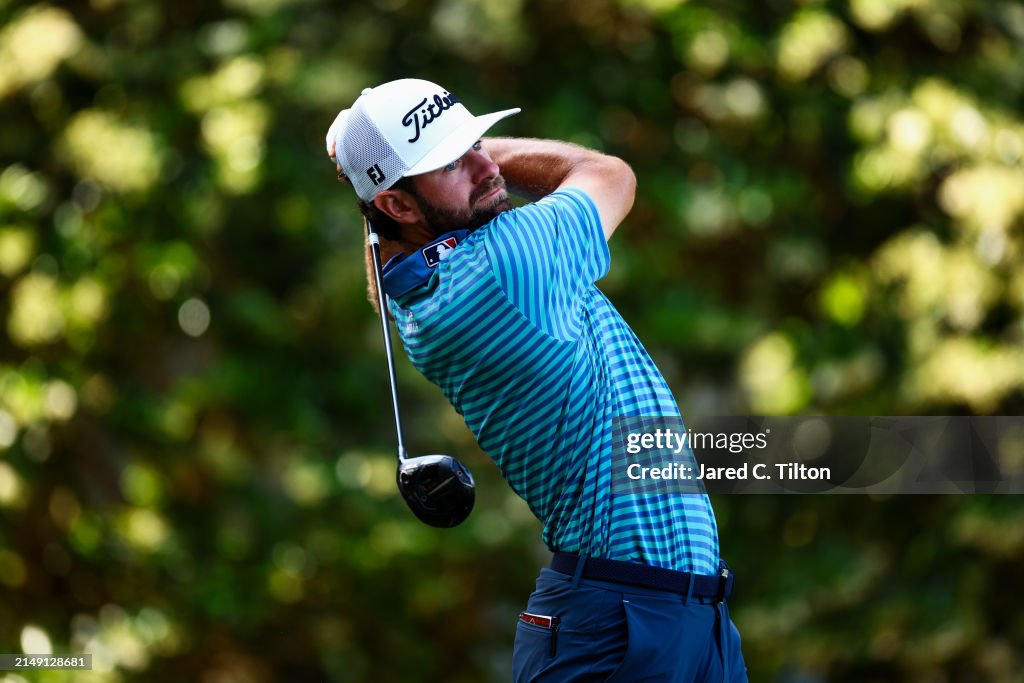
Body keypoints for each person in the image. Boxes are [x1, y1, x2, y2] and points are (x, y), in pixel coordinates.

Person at [327, 78, 747, 682]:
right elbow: (609, 174)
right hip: (619, 628)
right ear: (399, 206)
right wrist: (486, 147)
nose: (484, 164)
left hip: (677, 616)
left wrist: (373, 175)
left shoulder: (416, 286)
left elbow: (386, 259)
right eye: (451, 161)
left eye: (475, 141)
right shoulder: (506, 263)